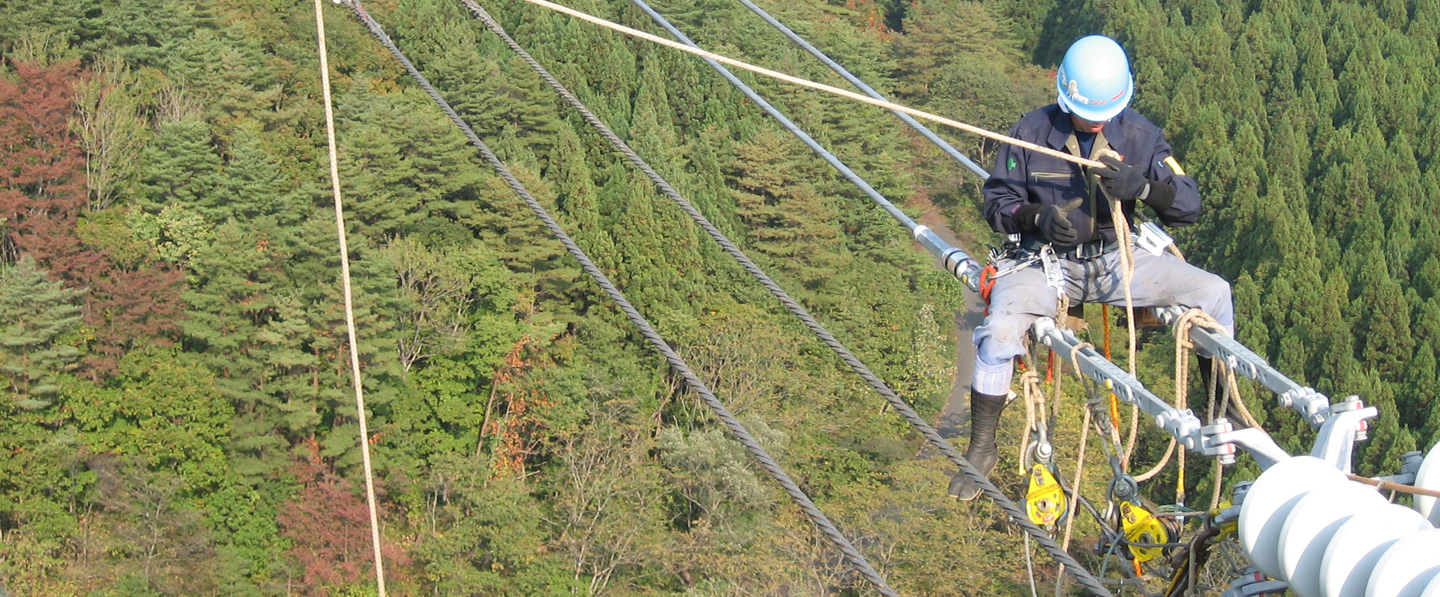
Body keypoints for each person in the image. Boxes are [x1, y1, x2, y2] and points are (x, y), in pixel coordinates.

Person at [948, 35, 1234, 501]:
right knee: (998, 333)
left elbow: (1188, 204)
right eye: (1085, 113)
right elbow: (997, 199)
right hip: (1043, 264)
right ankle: (982, 446)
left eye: (1103, 115)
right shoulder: (1032, 131)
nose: (1094, 121)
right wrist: (1034, 218)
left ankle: (1224, 409)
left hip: (1115, 260)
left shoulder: (1140, 136)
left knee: (1215, 293)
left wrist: (1144, 190)